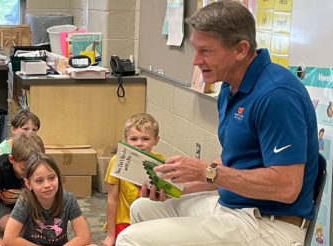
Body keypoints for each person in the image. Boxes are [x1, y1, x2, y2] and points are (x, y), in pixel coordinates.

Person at [117, 1, 319, 245]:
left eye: (205, 51)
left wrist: (205, 171)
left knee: (131, 239)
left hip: (270, 225)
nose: (195, 61)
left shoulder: (276, 96)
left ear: (241, 50)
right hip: (233, 205)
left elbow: (287, 187)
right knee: (144, 207)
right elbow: (233, 162)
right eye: (195, 49)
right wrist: (173, 184)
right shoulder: (230, 87)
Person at [102, 113, 164, 246]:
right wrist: (110, 235)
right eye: (134, 139)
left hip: (150, 219)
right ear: (125, 139)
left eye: (146, 139)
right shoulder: (117, 161)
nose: (139, 144)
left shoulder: (160, 163)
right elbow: (112, 200)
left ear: (156, 140)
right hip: (125, 220)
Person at [3, 153, 90, 245]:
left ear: (58, 177)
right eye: (39, 181)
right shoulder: (25, 201)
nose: (47, 185)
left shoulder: (68, 199)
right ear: (28, 184)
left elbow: (84, 237)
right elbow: (9, 239)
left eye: (52, 178)